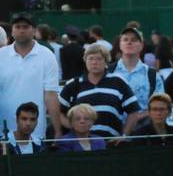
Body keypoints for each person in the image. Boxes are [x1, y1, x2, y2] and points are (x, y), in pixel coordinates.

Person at [0, 13, 63, 145]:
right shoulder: (1, 55)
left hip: (36, 134)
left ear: (34, 30)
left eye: (25, 27)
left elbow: (51, 95)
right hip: (3, 133)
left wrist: (58, 131)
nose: (21, 30)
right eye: (17, 27)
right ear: (12, 31)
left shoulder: (47, 56)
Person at [59, 43, 142, 140]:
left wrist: (124, 136)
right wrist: (73, 127)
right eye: (90, 59)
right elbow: (58, 111)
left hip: (111, 143)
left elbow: (134, 111)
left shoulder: (118, 82)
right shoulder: (73, 84)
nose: (94, 62)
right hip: (81, 144)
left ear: (106, 61)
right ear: (85, 61)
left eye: (99, 59)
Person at [110, 26, 164, 114]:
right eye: (125, 39)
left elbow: (159, 106)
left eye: (134, 40)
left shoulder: (152, 75)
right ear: (120, 45)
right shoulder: (108, 72)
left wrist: (138, 118)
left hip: (143, 122)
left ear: (141, 46)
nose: (129, 42)